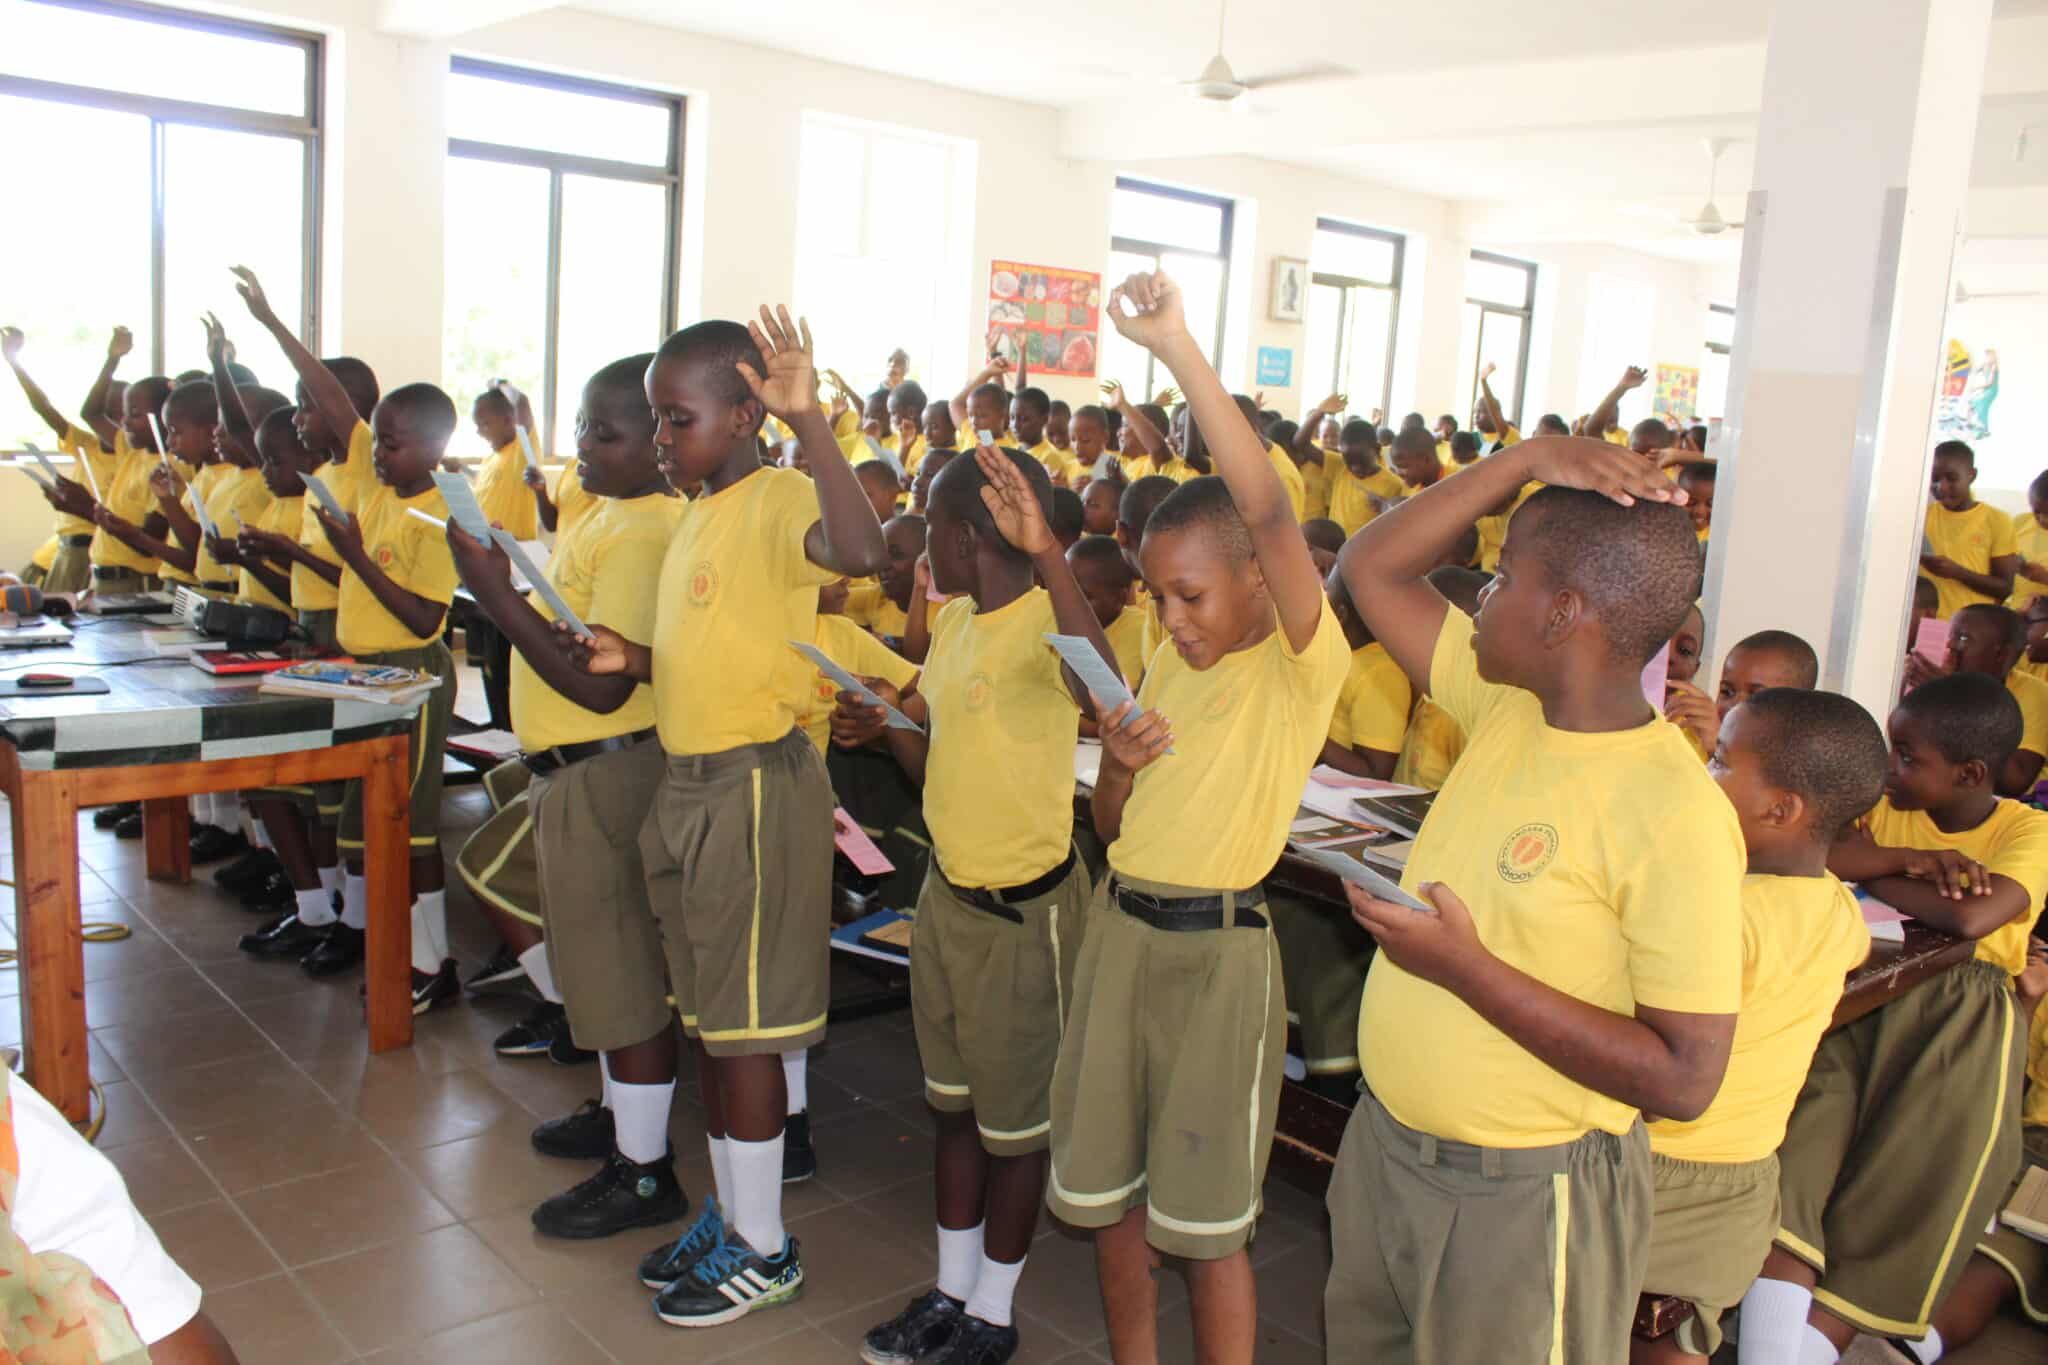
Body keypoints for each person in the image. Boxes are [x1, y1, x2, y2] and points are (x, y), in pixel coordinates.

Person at [1330, 432, 1743, 1361]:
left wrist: (1467, 970)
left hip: (1522, 1193)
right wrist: (1523, 460)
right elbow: (1370, 565)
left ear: (1561, 614)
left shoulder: (1672, 808)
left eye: (1501, 578)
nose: (1479, 595)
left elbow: (1685, 1076)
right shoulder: (1508, 706)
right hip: (1391, 1148)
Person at [1046, 271, 1350, 1364]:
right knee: (1112, 1205)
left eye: (1191, 596)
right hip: (1122, 933)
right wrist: (1118, 769)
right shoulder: (1162, 663)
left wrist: (1175, 350)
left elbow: (1263, 505)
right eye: (1156, 597)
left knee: (1208, 1228)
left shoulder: (1297, 668)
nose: (1170, 621)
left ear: (1264, 587)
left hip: (1219, 955)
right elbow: (1116, 828)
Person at [563, 309, 886, 1328]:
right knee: (711, 1023)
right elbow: (723, 646)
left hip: (752, 786)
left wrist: (814, 425)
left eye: (676, 419)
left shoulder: (778, 489)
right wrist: (641, 661)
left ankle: (764, 1249)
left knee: (746, 1036)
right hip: (689, 784)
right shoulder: (700, 505)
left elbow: (861, 546)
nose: (660, 439)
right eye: (653, 421)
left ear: (746, 414)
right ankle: (731, 1213)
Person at [852, 444, 1112, 1365]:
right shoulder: (958, 622)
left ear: (966, 537)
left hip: (1022, 918)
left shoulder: (1048, 623)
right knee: (955, 1110)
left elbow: (1107, 692)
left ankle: (993, 1312)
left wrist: (1050, 553)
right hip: (950, 901)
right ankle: (951, 1288)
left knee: (1014, 1129)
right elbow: (935, 769)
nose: (918, 549)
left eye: (927, 527)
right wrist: (885, 722)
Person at [447, 353, 693, 1236]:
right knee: (597, 963)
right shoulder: (607, 514)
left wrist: (490, 594)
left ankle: (644, 1169)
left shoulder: (645, 531)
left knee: (621, 970)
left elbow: (601, 686)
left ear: (658, 442)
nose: (581, 444)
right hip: (575, 768)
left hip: (609, 765)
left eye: (604, 430)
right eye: (582, 424)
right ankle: (622, 1112)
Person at [1743, 671, 2048, 1361]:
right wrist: (1913, 861)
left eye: (1909, 757)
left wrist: (1874, 871)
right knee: (1800, 1160)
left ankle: (1808, 1349)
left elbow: (1973, 915)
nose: (1890, 767)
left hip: (1965, 1019)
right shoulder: (1890, 807)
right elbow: (1827, 848)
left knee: (1899, 1189)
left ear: (1970, 772)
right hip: (1868, 994)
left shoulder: (2030, 828)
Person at [1637, 689, 1883, 1362]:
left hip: (1652, 1177)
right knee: (1673, 1344)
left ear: (1781, 809)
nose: (1703, 773)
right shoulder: (1837, 910)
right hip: (1742, 1190)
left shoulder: (1722, 914)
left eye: (1718, 761)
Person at [311, 380, 465, 1008]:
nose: (377, 451)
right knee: (372, 827)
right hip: (365, 674)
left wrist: (354, 555)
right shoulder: (378, 491)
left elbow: (426, 619)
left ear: (433, 446)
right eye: (376, 438)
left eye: (392, 443)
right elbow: (335, 404)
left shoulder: (439, 513)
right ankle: (412, 953)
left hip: (411, 676)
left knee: (407, 826)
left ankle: (430, 963)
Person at [0, 326, 122, 593]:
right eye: (102, 413)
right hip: (65, 548)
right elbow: (43, 407)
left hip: (96, 552)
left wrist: (112, 359)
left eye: (115, 414)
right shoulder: (84, 444)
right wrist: (13, 362)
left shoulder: (134, 459)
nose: (104, 421)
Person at [1907, 602, 2048, 797]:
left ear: (2000, 654)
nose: (1951, 645)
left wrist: (1951, 697)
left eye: (1963, 638)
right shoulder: (1925, 676)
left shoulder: (2031, 691)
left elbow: (2014, 781)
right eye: (1950, 635)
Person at [1663, 629, 1819, 758]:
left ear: (1797, 715)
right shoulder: (1694, 739)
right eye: (1727, 692)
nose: (1734, 707)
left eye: (1756, 698)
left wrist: (1717, 751)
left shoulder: (1792, 776)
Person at [1319, 565, 1411, 780]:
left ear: (1341, 615)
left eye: (1327, 592)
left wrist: (1304, 730)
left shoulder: (1382, 674)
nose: (1321, 598)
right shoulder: (1343, 651)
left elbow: (1375, 773)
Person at [1923, 439, 2017, 620]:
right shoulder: (1921, 516)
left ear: (1971, 475)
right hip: (1927, 623)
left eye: (1951, 478)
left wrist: (1958, 573)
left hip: (1971, 627)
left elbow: (2005, 588)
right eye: (1935, 478)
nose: (1941, 487)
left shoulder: (1997, 520)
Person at [1068, 533, 1147, 685]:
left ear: (1120, 597)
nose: (1069, 603)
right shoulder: (1052, 620)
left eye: (1085, 597)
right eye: (1063, 591)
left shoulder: (1139, 632)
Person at [469, 383, 540, 541]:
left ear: (508, 421)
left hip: (516, 552)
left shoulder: (521, 450)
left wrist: (499, 383)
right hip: (488, 549)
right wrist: (460, 468)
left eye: (484, 424)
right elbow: (488, 485)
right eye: (476, 425)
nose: (479, 432)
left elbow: (521, 402)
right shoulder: (490, 458)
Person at [1324, 418, 1404, 538]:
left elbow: (1397, 527)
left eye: (1362, 462)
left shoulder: (1394, 484)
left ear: (1377, 450)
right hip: (1333, 546)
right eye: (1349, 462)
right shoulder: (1340, 469)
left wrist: (1385, 506)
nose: (1355, 468)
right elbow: (1301, 443)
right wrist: (1320, 412)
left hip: (1364, 551)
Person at [2007, 469, 2048, 613]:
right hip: (2015, 614)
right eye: (2037, 511)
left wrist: (2045, 578)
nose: (2043, 519)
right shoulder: (2020, 522)